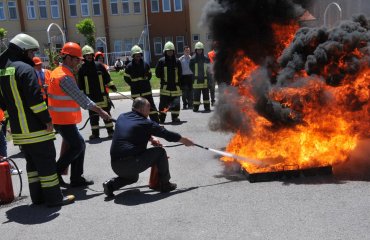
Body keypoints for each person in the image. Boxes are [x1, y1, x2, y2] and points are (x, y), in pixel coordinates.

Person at [0, 33, 74, 207]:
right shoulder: (25, 70)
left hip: (20, 132)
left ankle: (38, 197)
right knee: (47, 164)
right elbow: (35, 101)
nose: (33, 57)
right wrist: (47, 120)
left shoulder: (3, 71)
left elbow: (3, 102)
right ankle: (55, 199)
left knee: (32, 165)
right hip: (36, 130)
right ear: (23, 51)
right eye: (31, 53)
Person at [102, 97, 194, 197]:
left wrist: (151, 138)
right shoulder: (146, 123)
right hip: (131, 163)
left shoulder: (122, 116)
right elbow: (166, 134)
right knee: (160, 152)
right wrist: (184, 140)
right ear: (142, 109)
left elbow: (133, 130)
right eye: (148, 108)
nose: (150, 111)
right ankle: (165, 184)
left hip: (116, 165)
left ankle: (110, 185)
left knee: (133, 178)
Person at [48, 42, 111, 187]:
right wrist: (101, 111)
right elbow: (82, 99)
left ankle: (76, 178)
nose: (78, 62)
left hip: (63, 119)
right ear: (68, 58)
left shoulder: (58, 72)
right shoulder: (64, 76)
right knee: (78, 146)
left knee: (78, 145)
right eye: (77, 59)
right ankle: (55, 173)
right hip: (63, 120)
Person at [78, 45, 117, 140]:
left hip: (102, 96)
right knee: (93, 117)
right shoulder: (82, 69)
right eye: (87, 55)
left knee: (106, 113)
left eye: (90, 55)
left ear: (93, 55)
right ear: (84, 57)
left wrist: (112, 86)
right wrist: (81, 95)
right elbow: (80, 84)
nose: (89, 57)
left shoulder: (99, 66)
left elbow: (107, 78)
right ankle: (95, 134)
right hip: (90, 98)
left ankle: (111, 132)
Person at [124, 45, 159, 123]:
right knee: (137, 109)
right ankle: (137, 124)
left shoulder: (145, 64)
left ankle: (156, 123)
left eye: (139, 55)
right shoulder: (129, 66)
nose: (138, 56)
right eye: (136, 55)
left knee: (151, 107)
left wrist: (146, 79)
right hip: (136, 91)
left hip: (146, 90)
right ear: (133, 56)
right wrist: (133, 84)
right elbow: (126, 78)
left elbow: (149, 75)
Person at [155, 41, 182, 123]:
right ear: (165, 52)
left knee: (176, 104)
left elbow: (180, 74)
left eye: (171, 51)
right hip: (165, 88)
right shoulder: (161, 61)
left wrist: (181, 85)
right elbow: (157, 73)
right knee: (164, 104)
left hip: (175, 87)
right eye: (168, 51)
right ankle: (162, 118)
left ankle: (175, 118)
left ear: (173, 51)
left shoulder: (177, 61)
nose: (169, 52)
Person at [189, 41, 211, 112]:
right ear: (196, 50)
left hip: (205, 80)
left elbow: (209, 69)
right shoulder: (192, 59)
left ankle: (207, 107)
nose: (199, 51)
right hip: (196, 81)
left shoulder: (206, 59)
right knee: (196, 96)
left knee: (206, 96)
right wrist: (196, 75)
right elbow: (191, 68)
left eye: (200, 49)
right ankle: (195, 107)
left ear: (202, 50)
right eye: (198, 49)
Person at [207, 42, 217, 106]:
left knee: (222, 86)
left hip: (220, 73)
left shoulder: (221, 53)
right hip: (212, 72)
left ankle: (222, 100)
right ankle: (212, 100)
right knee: (212, 88)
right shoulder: (209, 54)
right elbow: (208, 63)